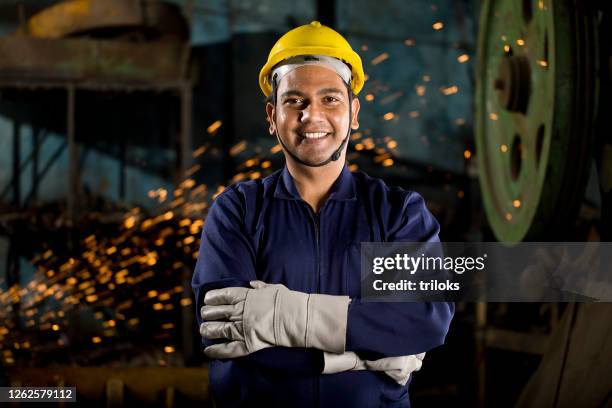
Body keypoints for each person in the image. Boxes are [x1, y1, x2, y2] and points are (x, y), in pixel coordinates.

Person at [192, 21, 454, 407]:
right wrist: (361, 355)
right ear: (271, 115)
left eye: (329, 98)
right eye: (294, 100)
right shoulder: (238, 211)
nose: (311, 116)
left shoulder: (398, 214)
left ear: (354, 112)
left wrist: (283, 318)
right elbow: (226, 333)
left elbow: (426, 319)